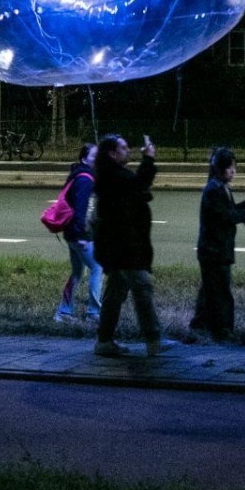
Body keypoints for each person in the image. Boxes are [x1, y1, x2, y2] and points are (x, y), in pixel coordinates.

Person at [92, 133, 166, 357]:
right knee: (142, 288)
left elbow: (136, 189)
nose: (129, 151)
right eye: (124, 148)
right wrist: (149, 159)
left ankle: (104, 340)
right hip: (124, 246)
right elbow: (138, 184)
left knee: (115, 291)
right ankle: (153, 340)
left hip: (120, 246)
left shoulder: (112, 175)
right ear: (113, 154)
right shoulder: (112, 176)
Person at [190, 146, 245, 342]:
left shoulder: (220, 188)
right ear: (219, 170)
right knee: (220, 293)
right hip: (215, 250)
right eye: (229, 168)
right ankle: (222, 330)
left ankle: (200, 325)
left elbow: (229, 210)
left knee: (210, 291)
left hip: (215, 250)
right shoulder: (214, 190)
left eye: (234, 167)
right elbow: (225, 216)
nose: (233, 171)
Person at [54, 143, 102, 323]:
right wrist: (82, 236)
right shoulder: (85, 179)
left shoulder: (80, 175)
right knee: (98, 267)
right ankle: (94, 313)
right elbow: (81, 210)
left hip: (71, 233)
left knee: (77, 272)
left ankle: (63, 312)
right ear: (85, 158)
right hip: (80, 234)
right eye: (94, 156)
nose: (97, 159)